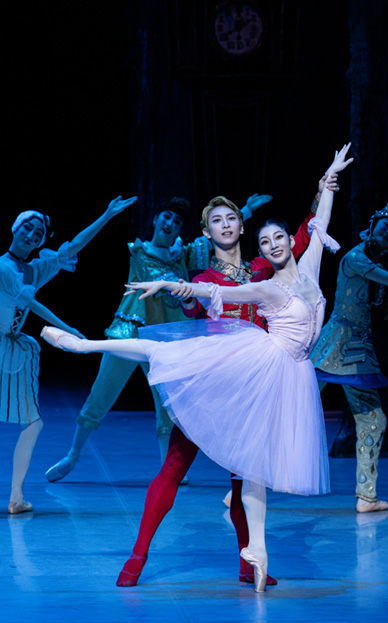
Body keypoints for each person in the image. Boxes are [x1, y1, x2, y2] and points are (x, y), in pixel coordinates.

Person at [40, 144, 353, 592]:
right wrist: (176, 290)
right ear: (206, 233)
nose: (225, 225)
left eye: (231, 218)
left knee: (246, 479)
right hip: (217, 382)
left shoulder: (263, 267)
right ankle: (138, 555)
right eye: (216, 221)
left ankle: (248, 563)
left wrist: (325, 187)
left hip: (258, 385)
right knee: (174, 466)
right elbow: (195, 301)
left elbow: (304, 239)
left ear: (242, 226)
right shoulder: (207, 278)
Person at [44, 194, 273, 483]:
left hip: (166, 341)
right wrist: (108, 214)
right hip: (130, 332)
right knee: (102, 393)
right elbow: (82, 246)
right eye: (166, 217)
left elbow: (218, 235)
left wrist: (246, 210)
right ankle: (73, 454)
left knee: (169, 405)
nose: (170, 223)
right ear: (155, 220)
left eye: (177, 222)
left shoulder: (183, 255)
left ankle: (168, 469)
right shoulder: (138, 251)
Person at [1, 195, 137, 514]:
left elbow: (73, 247)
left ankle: (16, 498)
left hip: (10, 347)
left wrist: (107, 214)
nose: (31, 235)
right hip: (6, 345)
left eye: (38, 234)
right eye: (27, 228)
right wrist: (68, 329)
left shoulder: (35, 269)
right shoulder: (3, 267)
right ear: (15, 228)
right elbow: (30, 303)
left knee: (33, 424)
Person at [310, 205, 388, 512]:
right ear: (373, 223)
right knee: (291, 410)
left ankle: (366, 496)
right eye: (386, 225)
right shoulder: (357, 258)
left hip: (357, 350)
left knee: (373, 420)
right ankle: (245, 483)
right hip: (334, 346)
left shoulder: (379, 258)